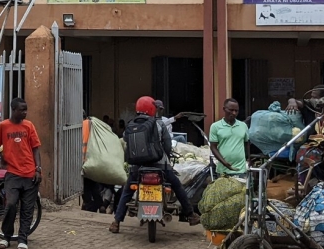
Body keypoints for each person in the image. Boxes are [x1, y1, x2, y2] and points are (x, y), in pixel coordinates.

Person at [109, 96, 200, 234]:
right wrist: (166, 158)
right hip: (160, 166)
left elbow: (127, 141)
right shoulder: (159, 124)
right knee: (177, 185)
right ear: (152, 109)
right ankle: (191, 216)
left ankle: (116, 222)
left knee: (127, 191)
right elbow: (168, 145)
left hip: (138, 167)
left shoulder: (130, 124)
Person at [0, 98, 41, 249]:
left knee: (27, 208)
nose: (25, 112)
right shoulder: (3, 126)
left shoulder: (29, 126)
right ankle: (6, 236)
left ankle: (23, 239)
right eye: (22, 109)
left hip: (30, 172)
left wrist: (38, 168)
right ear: (13, 109)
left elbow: (36, 148)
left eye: (26, 109)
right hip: (12, 172)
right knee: (11, 204)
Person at [209, 98, 249, 177]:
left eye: (236, 111)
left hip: (240, 170)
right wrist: (224, 162)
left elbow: (246, 144)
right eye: (231, 110)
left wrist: (247, 159)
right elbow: (213, 147)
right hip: (223, 171)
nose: (234, 113)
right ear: (224, 109)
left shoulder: (243, 126)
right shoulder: (215, 126)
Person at [81, 112, 105, 213]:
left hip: (82, 159)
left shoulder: (78, 126)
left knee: (85, 185)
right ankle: (100, 204)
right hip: (93, 158)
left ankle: (89, 204)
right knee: (94, 183)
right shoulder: (92, 123)